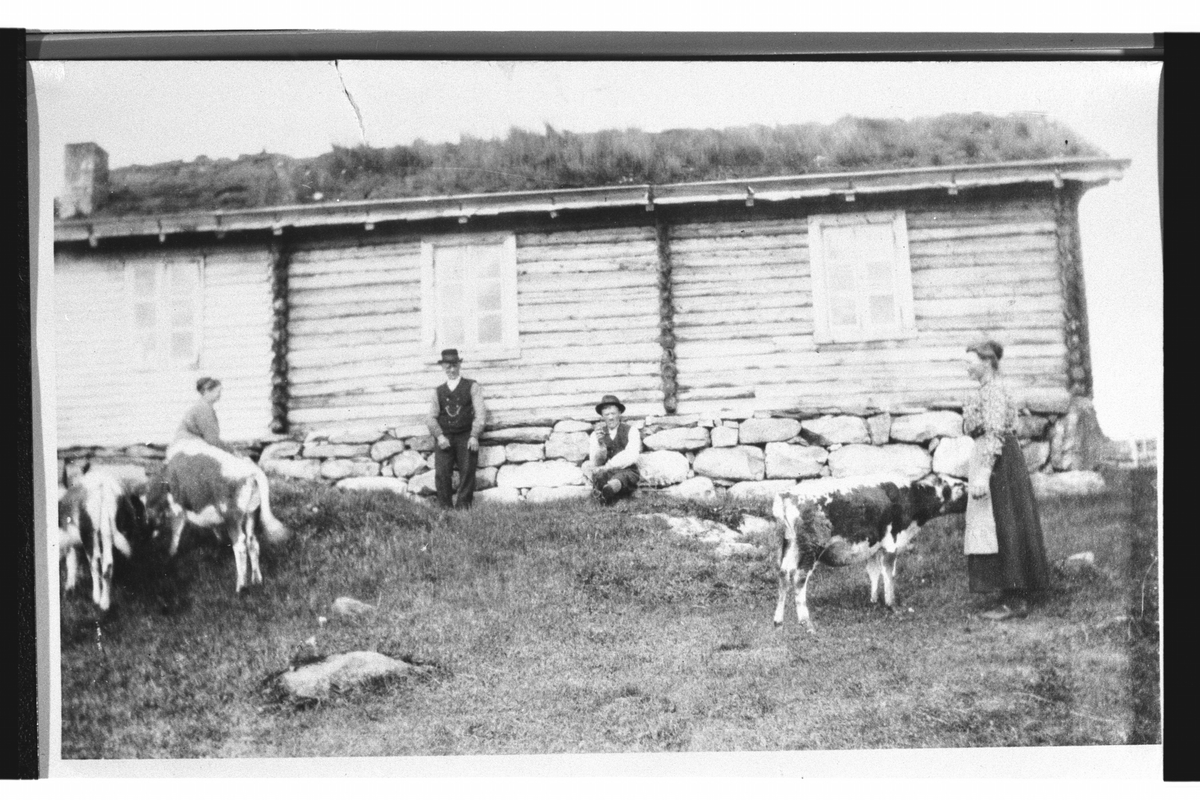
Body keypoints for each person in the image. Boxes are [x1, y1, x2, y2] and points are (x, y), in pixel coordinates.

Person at [962, 340, 1051, 621]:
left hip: (999, 463)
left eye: (970, 360)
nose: (966, 365)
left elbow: (995, 432)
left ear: (987, 361)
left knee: (1005, 521)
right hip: (994, 458)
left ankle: (1015, 599)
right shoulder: (986, 390)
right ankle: (1009, 590)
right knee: (996, 524)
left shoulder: (995, 391)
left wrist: (984, 473)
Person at [426, 349, 486, 510]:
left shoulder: (471, 386)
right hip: (445, 437)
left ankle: (463, 507)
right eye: (448, 367)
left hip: (466, 436)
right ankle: (445, 508)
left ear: (459, 365)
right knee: (442, 473)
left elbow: (480, 413)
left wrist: (474, 435)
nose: (451, 370)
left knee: (467, 472)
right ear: (443, 368)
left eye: (454, 366)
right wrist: (439, 436)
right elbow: (430, 418)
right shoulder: (438, 391)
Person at [583, 394, 641, 503]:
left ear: (619, 413)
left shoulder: (632, 431)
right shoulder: (596, 435)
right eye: (607, 414)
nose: (611, 417)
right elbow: (596, 462)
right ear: (602, 416)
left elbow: (631, 455)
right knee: (599, 475)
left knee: (623, 477)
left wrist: (608, 466)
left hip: (627, 470)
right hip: (605, 472)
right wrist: (600, 445)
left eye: (613, 413)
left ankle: (610, 490)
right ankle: (608, 492)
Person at [176, 376, 238, 454]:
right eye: (217, 392)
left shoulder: (203, 407)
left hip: (193, 448)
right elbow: (211, 440)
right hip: (188, 450)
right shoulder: (203, 409)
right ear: (206, 391)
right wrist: (232, 451)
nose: (219, 395)